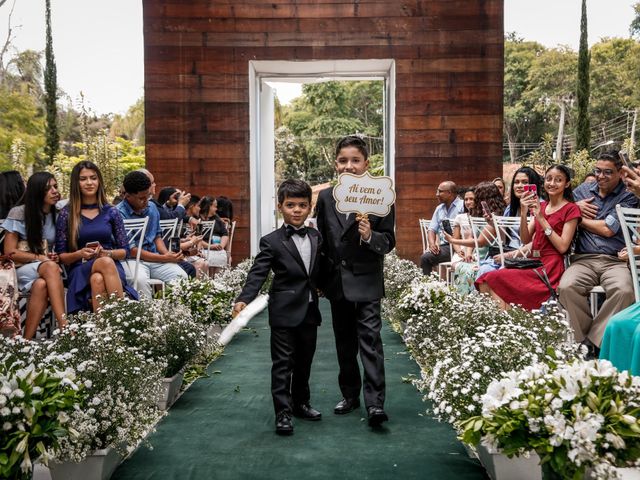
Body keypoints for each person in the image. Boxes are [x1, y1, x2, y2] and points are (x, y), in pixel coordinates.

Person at [315, 135, 395, 427]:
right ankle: (349, 395)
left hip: (367, 280)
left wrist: (369, 235)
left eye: (355, 160)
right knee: (344, 343)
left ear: (366, 164)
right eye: (343, 160)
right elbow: (322, 241)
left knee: (370, 342)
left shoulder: (381, 196)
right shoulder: (325, 197)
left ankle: (375, 404)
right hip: (338, 283)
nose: (348, 166)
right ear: (336, 164)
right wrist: (319, 278)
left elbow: (389, 241)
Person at [233, 179, 323, 436]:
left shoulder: (317, 236)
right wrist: (244, 298)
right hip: (283, 312)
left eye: (302, 205)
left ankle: (301, 403)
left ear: (309, 208)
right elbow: (257, 273)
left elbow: (320, 269)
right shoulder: (271, 241)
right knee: (283, 363)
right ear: (280, 207)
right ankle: (282, 412)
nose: (296, 210)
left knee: (305, 361)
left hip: (309, 310)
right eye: (291, 205)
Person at [558, 152, 638, 359]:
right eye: (597, 171)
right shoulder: (583, 190)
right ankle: (586, 340)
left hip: (615, 260)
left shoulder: (628, 195)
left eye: (607, 172)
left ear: (620, 173)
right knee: (567, 287)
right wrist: (573, 207)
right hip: (583, 258)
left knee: (624, 290)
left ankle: (592, 341)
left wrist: (576, 215)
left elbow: (608, 230)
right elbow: (557, 208)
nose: (601, 176)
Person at [476, 165, 581, 310]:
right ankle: (505, 324)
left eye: (558, 180)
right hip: (531, 262)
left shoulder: (571, 209)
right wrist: (524, 212)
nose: (552, 183)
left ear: (567, 184)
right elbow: (525, 239)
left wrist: (541, 218)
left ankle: (509, 324)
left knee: (493, 279)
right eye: (549, 179)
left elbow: (563, 247)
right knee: (486, 280)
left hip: (550, 267)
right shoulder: (541, 206)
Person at [56, 161, 138, 313]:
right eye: (83, 179)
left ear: (99, 181)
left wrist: (107, 253)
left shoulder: (111, 211)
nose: (89, 182)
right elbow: (61, 257)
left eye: (93, 178)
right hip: (80, 267)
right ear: (76, 183)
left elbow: (125, 251)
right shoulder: (66, 214)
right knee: (105, 263)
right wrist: (80, 253)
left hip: (111, 268)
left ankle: (103, 332)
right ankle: (122, 318)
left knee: (97, 279)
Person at [1, 172, 67, 338]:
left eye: (55, 187)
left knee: (41, 285)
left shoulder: (57, 213)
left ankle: (27, 343)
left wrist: (54, 256)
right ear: (37, 191)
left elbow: (56, 247)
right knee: (51, 268)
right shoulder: (19, 212)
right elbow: (10, 252)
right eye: (48, 188)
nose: (54, 191)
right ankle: (65, 327)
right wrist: (40, 258)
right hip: (20, 270)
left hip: (45, 272)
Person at [116, 171, 187, 298]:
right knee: (139, 281)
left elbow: (157, 236)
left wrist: (168, 255)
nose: (146, 202)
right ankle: (148, 316)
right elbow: (131, 250)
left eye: (148, 197)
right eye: (141, 198)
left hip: (154, 258)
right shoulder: (119, 213)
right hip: (131, 260)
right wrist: (164, 258)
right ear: (127, 196)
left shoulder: (152, 207)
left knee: (180, 276)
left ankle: (175, 314)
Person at [444, 182, 506, 291]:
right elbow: (471, 236)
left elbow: (481, 241)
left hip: (491, 257)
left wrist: (453, 240)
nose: (474, 200)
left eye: (477, 197)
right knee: (458, 265)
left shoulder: (496, 216)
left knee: (465, 269)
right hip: (478, 256)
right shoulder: (479, 214)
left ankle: (470, 299)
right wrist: (468, 253)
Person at [420, 181, 463, 275]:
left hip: (461, 246)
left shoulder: (462, 206)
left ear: (449, 193)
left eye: (440, 191)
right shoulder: (439, 208)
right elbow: (431, 229)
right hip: (446, 247)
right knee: (425, 258)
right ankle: (428, 286)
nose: (437, 194)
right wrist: (432, 244)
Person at [199, 195, 229, 271]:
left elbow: (225, 234)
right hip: (203, 248)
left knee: (222, 256)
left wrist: (221, 246)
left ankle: (217, 280)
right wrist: (210, 246)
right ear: (208, 206)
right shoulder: (197, 220)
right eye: (215, 206)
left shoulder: (216, 219)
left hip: (217, 248)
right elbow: (196, 238)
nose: (216, 209)